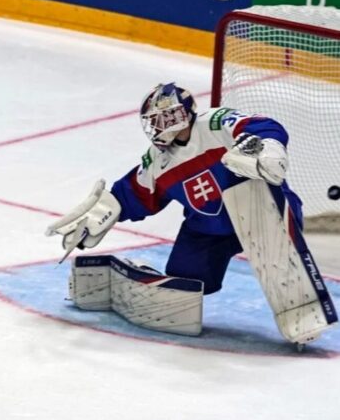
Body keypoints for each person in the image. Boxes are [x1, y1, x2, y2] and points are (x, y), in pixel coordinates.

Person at [51, 82, 299, 295]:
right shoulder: (159, 159)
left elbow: (263, 126)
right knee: (186, 278)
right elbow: (136, 193)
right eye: (151, 122)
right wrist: (104, 212)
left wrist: (270, 148)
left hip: (260, 211)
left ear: (177, 116)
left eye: (158, 120)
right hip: (208, 230)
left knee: (282, 265)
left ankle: (298, 292)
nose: (154, 127)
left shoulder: (214, 123)